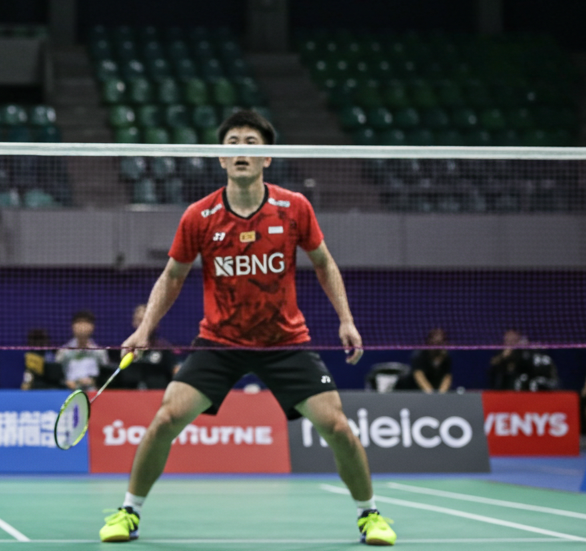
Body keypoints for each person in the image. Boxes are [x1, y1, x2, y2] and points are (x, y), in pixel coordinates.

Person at [99, 110, 396, 547]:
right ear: (221, 158)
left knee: (337, 427)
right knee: (165, 418)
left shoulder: (294, 207)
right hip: (219, 343)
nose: (241, 150)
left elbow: (324, 263)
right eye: (232, 143)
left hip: (285, 342)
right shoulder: (200, 216)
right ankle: (129, 511)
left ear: (267, 157)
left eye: (251, 143)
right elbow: (173, 275)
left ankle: (369, 514)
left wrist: (346, 319)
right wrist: (145, 329)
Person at [116, 303, 176, 389]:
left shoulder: (164, 347)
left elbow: (173, 371)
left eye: (146, 322)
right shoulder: (126, 347)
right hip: (128, 396)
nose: (143, 326)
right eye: (139, 320)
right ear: (133, 322)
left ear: (157, 323)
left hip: (157, 396)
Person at [56, 311, 108, 391]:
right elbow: (56, 373)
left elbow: (106, 372)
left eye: (86, 322)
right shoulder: (63, 351)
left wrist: (95, 381)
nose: (82, 326)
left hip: (93, 391)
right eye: (79, 322)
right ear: (73, 327)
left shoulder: (100, 351)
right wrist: (66, 382)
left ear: (92, 327)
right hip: (68, 392)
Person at [399, 328, 450, 393]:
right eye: (436, 343)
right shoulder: (419, 355)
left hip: (434, 393)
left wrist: (441, 394)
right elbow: (419, 375)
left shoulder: (446, 357)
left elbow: (447, 377)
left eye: (441, 342)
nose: (438, 345)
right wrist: (431, 393)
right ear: (429, 341)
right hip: (414, 391)